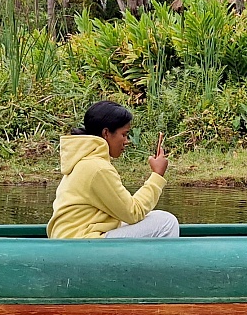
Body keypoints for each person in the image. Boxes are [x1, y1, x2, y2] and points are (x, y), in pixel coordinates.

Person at [47, 100, 179, 239]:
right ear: (106, 133)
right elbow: (133, 212)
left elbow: (126, 212)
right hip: (81, 243)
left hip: (73, 239)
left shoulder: (84, 161)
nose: (127, 141)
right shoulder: (97, 168)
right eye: (124, 134)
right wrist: (157, 175)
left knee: (155, 217)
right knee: (166, 222)